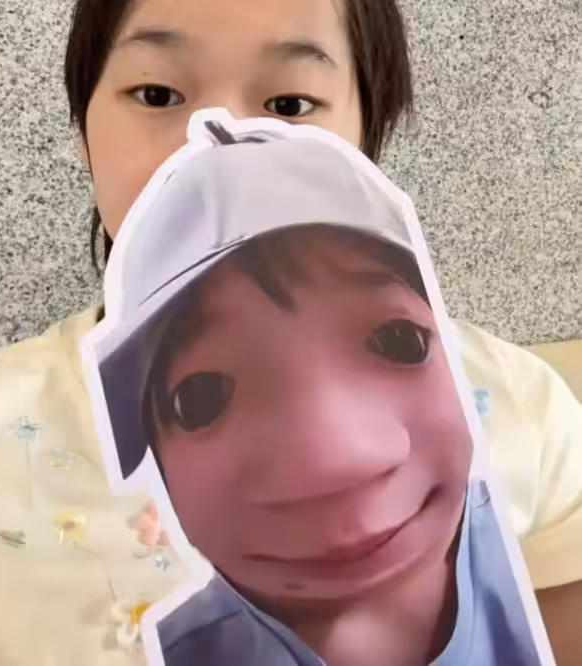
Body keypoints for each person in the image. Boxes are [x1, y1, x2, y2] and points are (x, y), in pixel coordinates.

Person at [0, 0, 580, 666]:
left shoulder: (526, 409)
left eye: (291, 103)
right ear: (84, 129)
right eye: (156, 92)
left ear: (366, 138)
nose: (217, 146)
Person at [89, 118, 545, 666]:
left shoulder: (531, 540)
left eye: (399, 341)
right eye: (203, 398)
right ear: (157, 465)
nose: (333, 459)